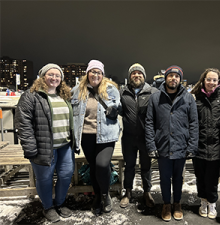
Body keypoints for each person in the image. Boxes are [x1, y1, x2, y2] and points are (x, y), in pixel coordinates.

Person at [15, 63, 76, 223]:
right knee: (45, 178)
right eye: (51, 74)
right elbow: (23, 122)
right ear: (43, 76)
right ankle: (48, 207)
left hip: (64, 146)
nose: (54, 78)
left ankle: (60, 203)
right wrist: (29, 146)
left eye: (58, 75)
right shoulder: (31, 95)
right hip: (43, 146)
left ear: (61, 79)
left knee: (66, 175)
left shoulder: (64, 96)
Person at [145, 65, 199, 222]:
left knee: (178, 177)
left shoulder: (188, 98)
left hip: (181, 145)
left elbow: (194, 123)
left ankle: (177, 203)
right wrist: (151, 145)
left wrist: (192, 145)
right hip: (162, 145)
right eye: (170, 76)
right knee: (164, 177)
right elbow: (149, 122)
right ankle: (166, 204)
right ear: (166, 78)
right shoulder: (155, 98)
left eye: (176, 76)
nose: (173, 78)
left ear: (180, 80)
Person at [71, 60, 121, 215]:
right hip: (86, 135)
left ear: (102, 75)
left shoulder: (111, 89)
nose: (95, 75)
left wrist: (115, 110)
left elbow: (119, 107)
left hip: (106, 134)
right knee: (93, 166)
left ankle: (105, 196)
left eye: (98, 72)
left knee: (102, 164)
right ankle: (97, 195)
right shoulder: (77, 90)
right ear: (87, 73)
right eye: (92, 71)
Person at [190, 68, 220, 219]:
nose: (211, 82)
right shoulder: (196, 97)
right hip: (199, 145)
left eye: (214, 80)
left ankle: (212, 202)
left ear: (219, 82)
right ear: (203, 80)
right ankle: (203, 201)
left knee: (212, 178)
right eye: (208, 79)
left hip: (216, 146)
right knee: (200, 176)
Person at [119, 63, 158, 208]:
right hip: (128, 137)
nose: (136, 75)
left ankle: (147, 192)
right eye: (133, 73)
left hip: (146, 137)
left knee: (146, 166)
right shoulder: (123, 92)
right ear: (130, 76)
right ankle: (128, 192)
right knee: (129, 165)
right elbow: (120, 110)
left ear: (144, 76)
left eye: (139, 73)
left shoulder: (153, 92)